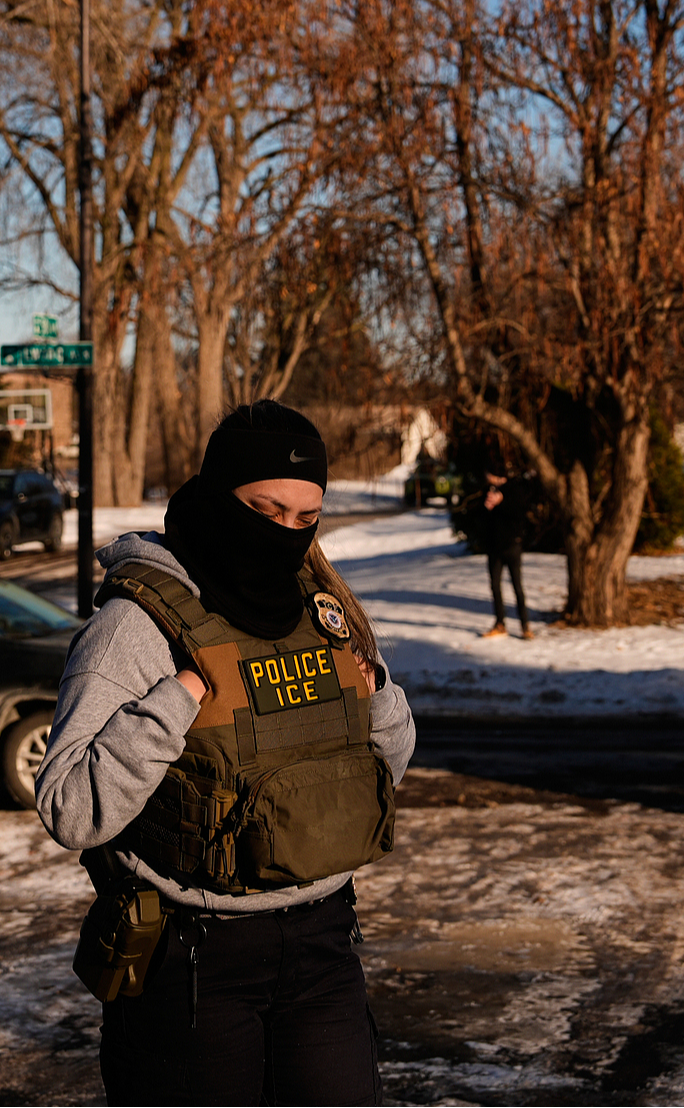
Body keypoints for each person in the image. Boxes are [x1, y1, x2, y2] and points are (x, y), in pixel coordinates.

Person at [36, 400, 416, 1107]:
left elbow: (382, 771)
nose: (285, 536)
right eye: (265, 510)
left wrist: (378, 696)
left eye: (306, 519)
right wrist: (175, 700)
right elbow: (69, 806)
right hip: (194, 961)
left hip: (324, 943)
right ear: (217, 498)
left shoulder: (321, 607)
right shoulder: (137, 624)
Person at [472, 464, 538, 639]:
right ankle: (500, 623)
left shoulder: (514, 491)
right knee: (495, 586)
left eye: (490, 475)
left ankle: (525, 625)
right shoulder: (487, 492)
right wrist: (487, 507)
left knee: (517, 586)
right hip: (494, 548)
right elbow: (479, 518)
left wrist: (502, 503)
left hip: (512, 546)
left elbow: (520, 513)